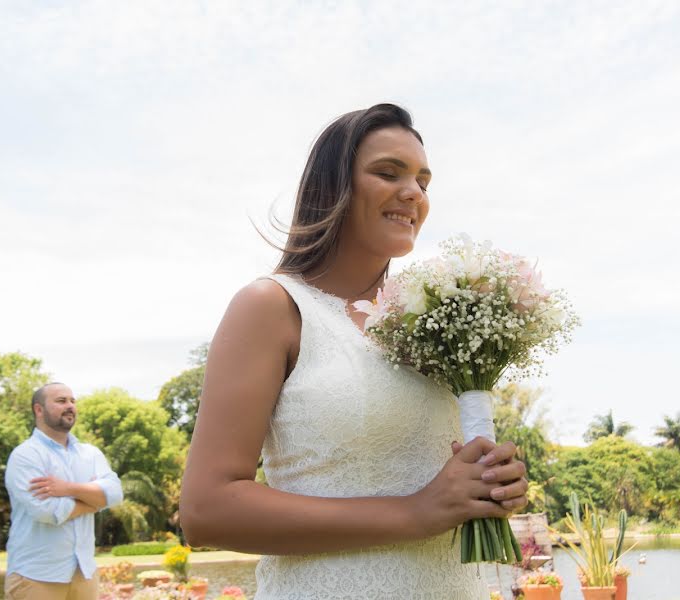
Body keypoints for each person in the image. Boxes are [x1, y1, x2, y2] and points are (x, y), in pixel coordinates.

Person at [179, 103, 529, 598]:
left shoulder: (425, 324)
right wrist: (415, 512)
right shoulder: (272, 307)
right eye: (388, 173)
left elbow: (436, 479)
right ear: (333, 187)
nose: (413, 194)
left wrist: (489, 485)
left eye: (424, 182)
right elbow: (206, 512)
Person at [4, 382, 123, 600]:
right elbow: (47, 511)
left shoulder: (91, 454)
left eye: (72, 401)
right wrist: (95, 500)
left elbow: (115, 494)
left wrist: (67, 488)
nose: (70, 406)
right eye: (61, 401)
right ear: (38, 410)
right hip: (36, 576)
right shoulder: (26, 456)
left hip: (84, 573)